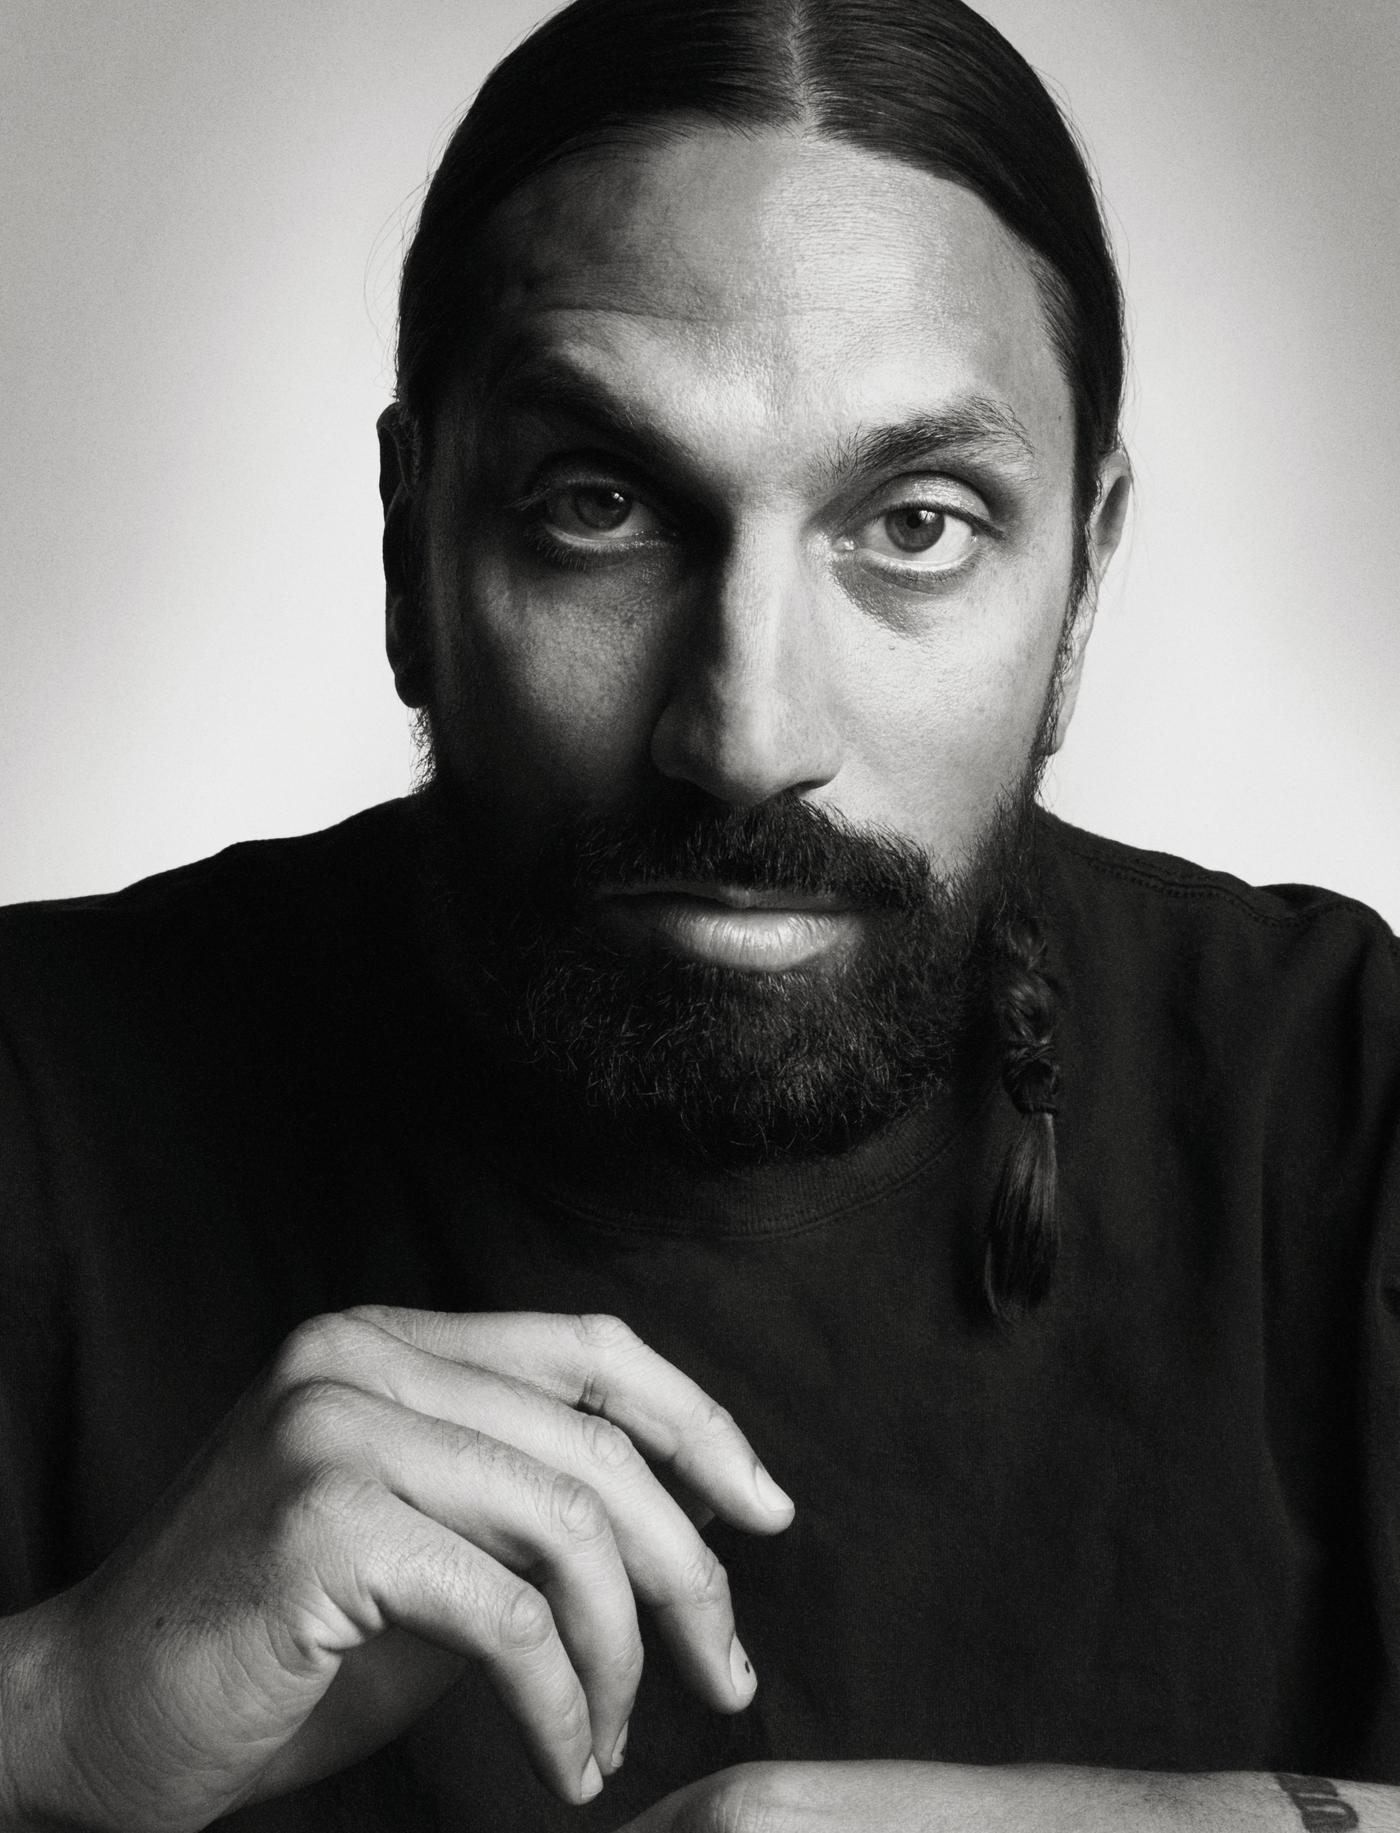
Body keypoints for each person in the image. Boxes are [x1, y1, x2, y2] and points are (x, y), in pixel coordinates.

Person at [1, 0, 1398, 1828]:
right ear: (410, 544)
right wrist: (50, 1717)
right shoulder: (32, 1086)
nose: (748, 735)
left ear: (1086, 572)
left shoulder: (1340, 1089)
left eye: (915, 525)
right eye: (601, 507)